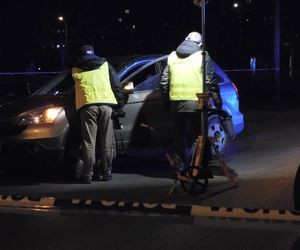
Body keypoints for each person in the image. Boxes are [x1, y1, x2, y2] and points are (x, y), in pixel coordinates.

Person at [159, 31, 223, 172]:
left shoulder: (172, 56)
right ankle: (196, 167)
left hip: (176, 104)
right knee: (198, 136)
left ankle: (182, 168)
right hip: (197, 104)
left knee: (179, 137)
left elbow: (163, 82)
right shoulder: (202, 55)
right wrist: (218, 101)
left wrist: (166, 101)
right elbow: (210, 80)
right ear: (200, 44)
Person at [72, 45, 125, 183]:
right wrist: (119, 107)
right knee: (106, 141)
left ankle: (88, 175)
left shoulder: (75, 68)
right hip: (106, 105)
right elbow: (117, 86)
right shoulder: (105, 65)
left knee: (89, 143)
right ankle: (106, 173)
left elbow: (70, 89)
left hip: (88, 106)